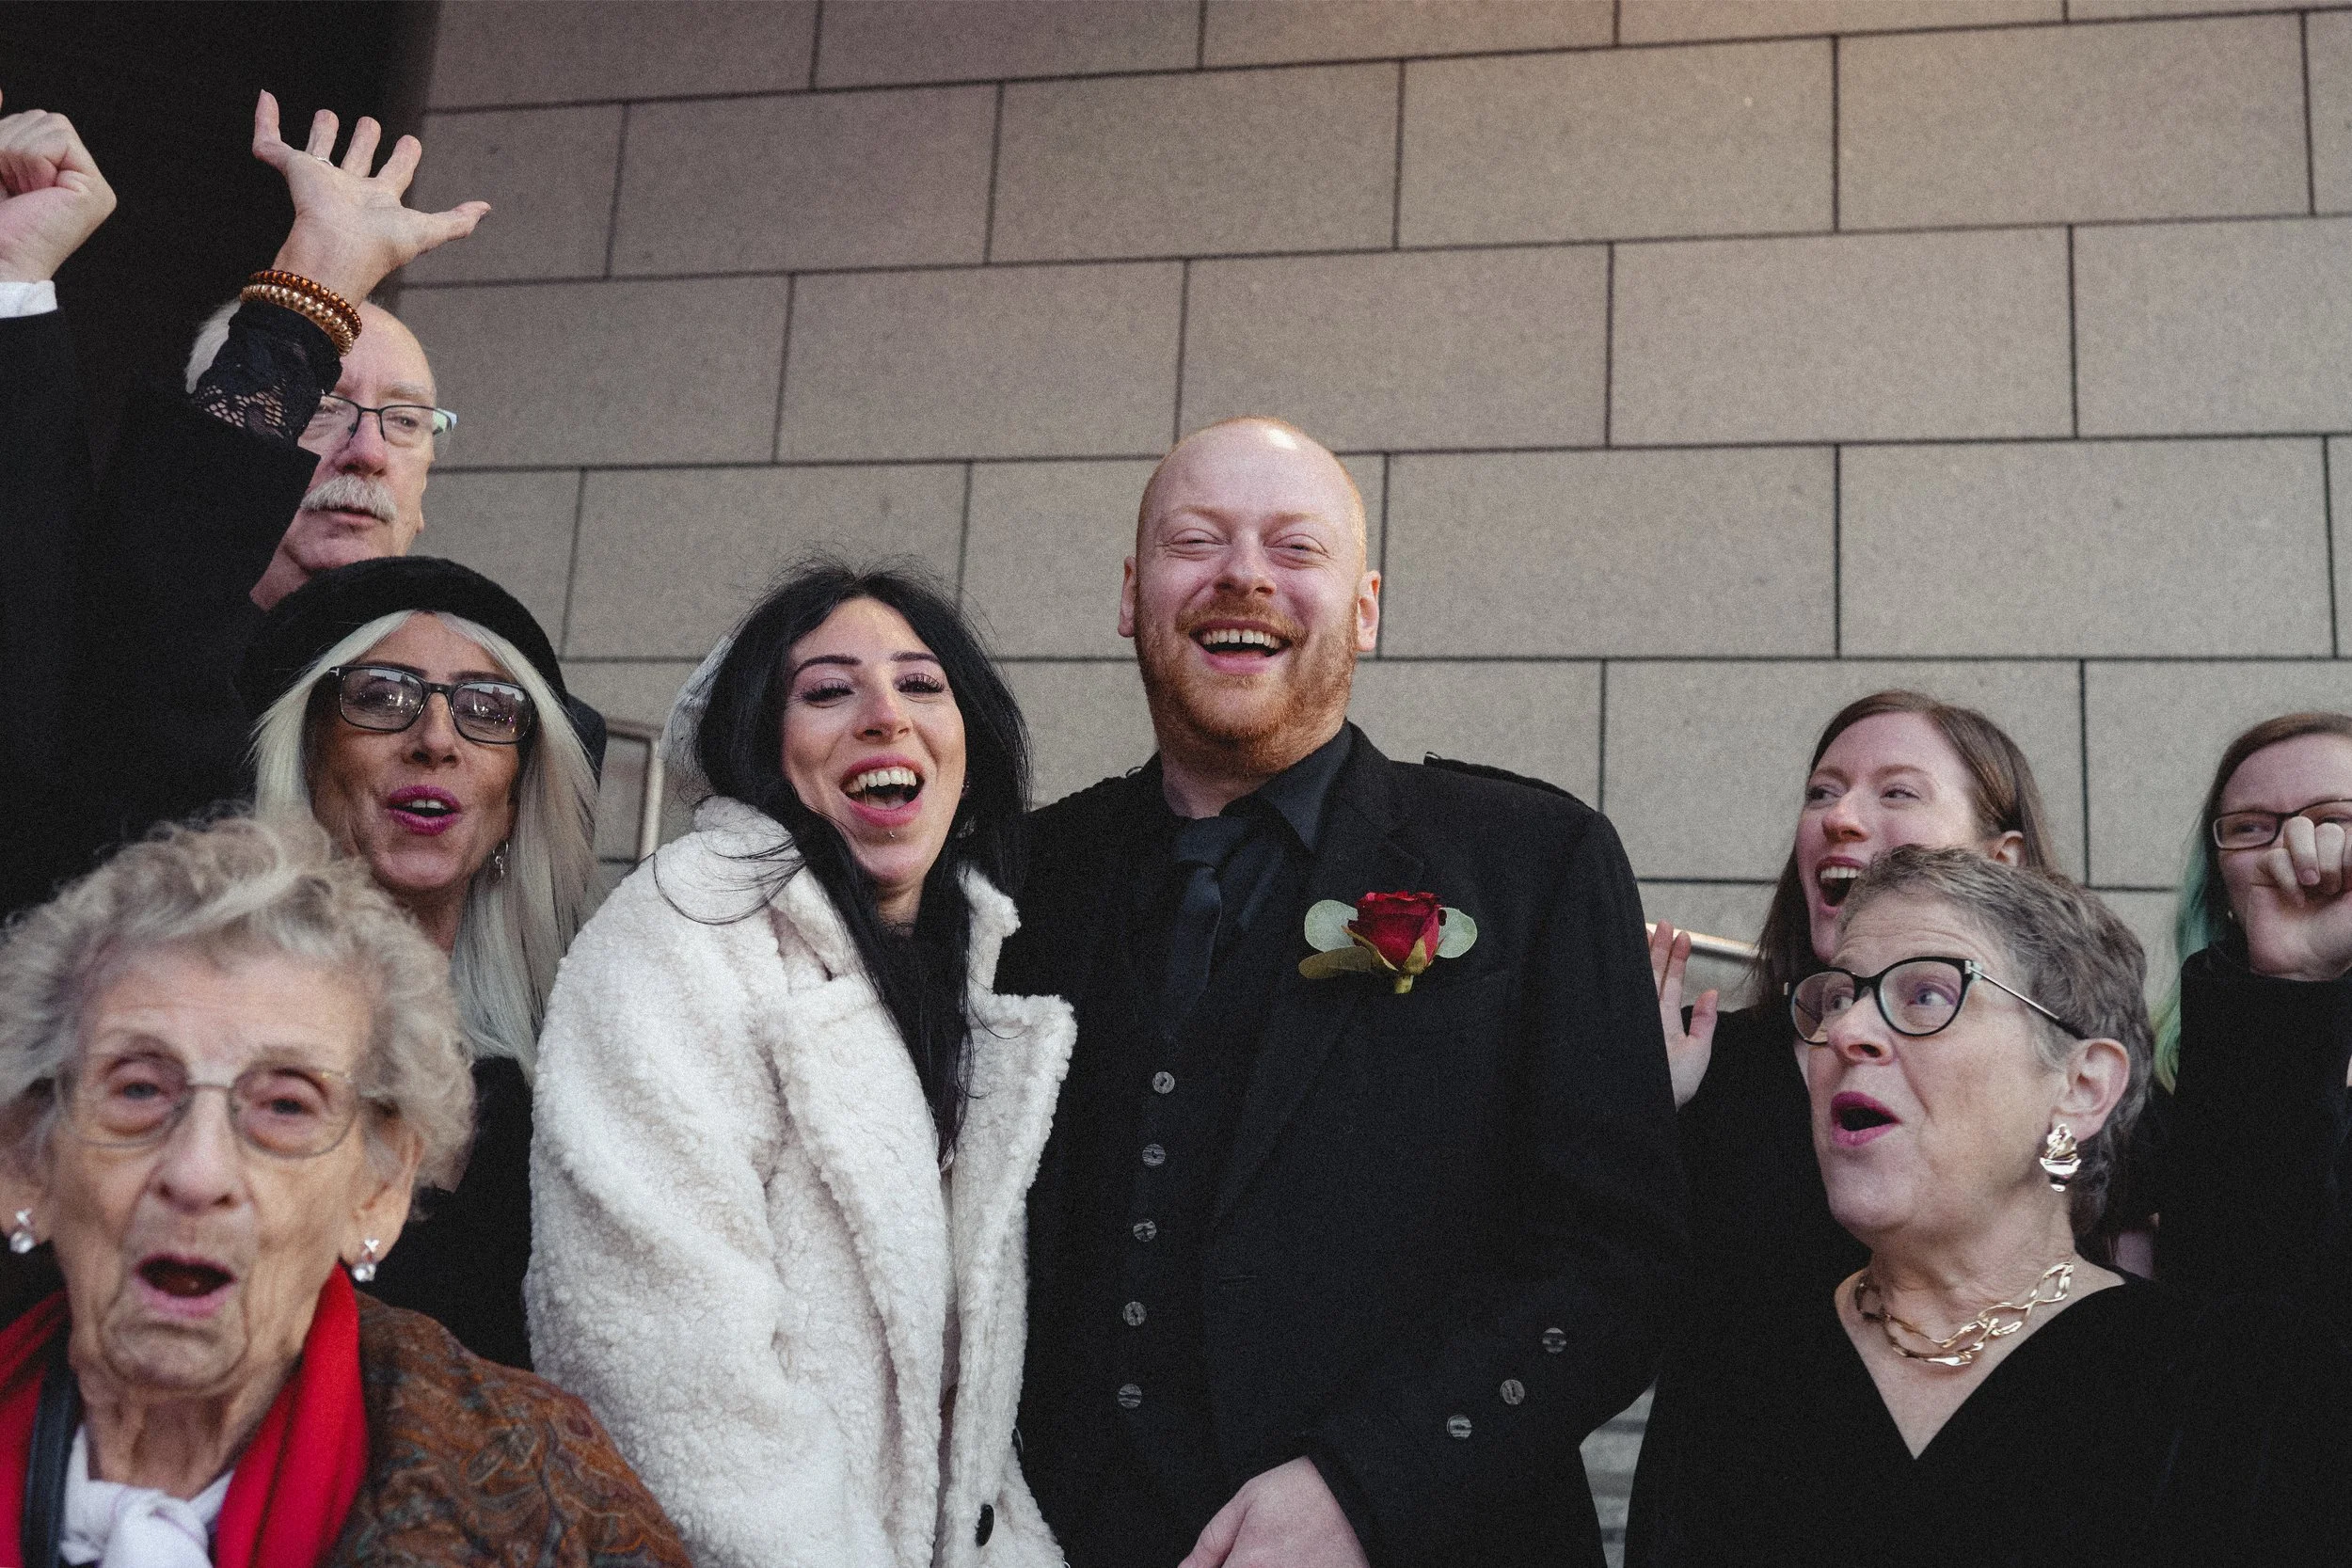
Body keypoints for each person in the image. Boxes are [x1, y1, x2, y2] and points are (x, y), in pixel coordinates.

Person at [1000, 417, 1683, 1568]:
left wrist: (1368, 1486)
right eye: (1196, 540)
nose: (1244, 575)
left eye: (1294, 547)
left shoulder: (1532, 859)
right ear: (1130, 595)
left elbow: (1615, 1261)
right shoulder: (1024, 878)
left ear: (1364, 609)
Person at [528, 562, 1074, 1568]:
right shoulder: (679, 932)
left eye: (921, 684)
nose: (885, 715)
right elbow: (665, 1375)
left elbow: (965, 1433)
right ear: (763, 744)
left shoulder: (967, 970)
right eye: (828, 691)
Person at [1628, 847, 2352, 1567]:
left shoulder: (2222, 1385)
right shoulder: (1736, 1369)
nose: (1846, 1032)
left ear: (2081, 1087)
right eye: (1839, 997)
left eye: (1926, 995)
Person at [0, 815, 690, 1565]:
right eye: (138, 1089)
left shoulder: (545, 1501)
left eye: (285, 1105)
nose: (198, 1174)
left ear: (378, 1188)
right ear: (27, 1160)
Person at [0, 89, 516, 919]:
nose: (369, 451)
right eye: (321, 407)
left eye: (406, 419)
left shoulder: (508, 717)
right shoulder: (96, 682)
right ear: (225, 436)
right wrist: (314, 283)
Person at [231, 555, 599, 1369]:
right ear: (308, 755)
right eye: (380, 696)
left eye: (487, 710)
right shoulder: (209, 1025)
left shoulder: (570, 1083)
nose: (436, 739)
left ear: (516, 800)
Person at [1655, 691, 2063, 1310]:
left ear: (2000, 860)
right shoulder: (1700, 1060)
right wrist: (1636, 1118)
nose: (1839, 817)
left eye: (1898, 792)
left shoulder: (2062, 1074)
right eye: (1821, 792)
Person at [2152, 712, 2352, 1340]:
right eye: (2250, 828)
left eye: (2335, 818)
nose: (2293, 845)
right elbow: (2223, 1297)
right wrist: (2288, 980)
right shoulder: (2162, 1072)